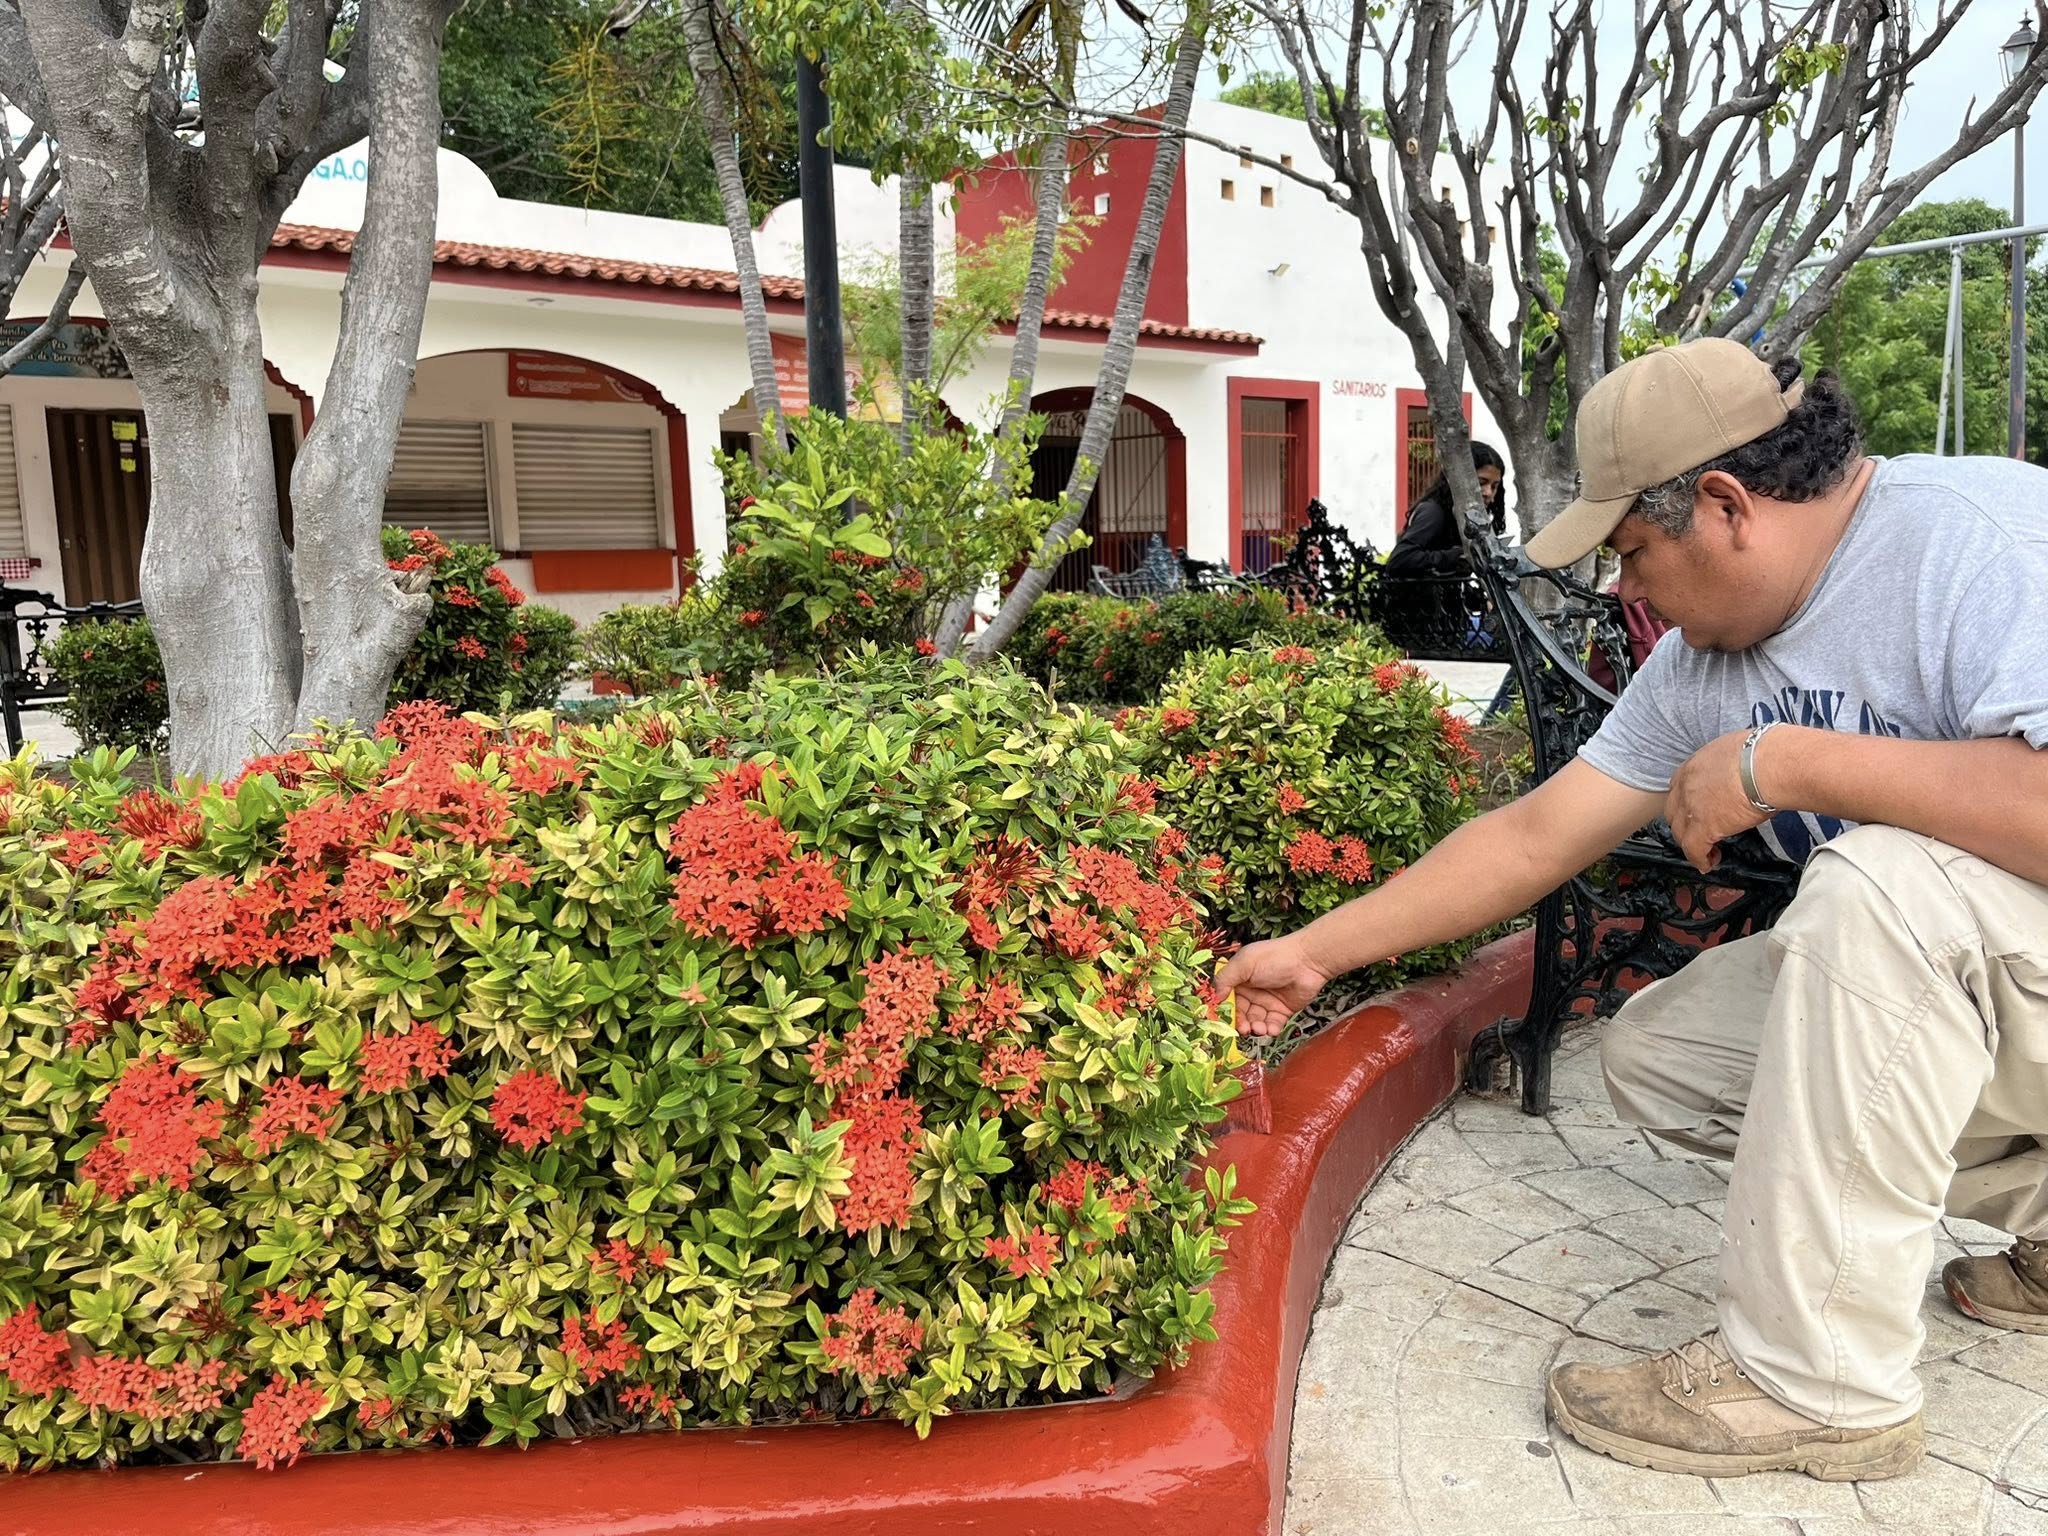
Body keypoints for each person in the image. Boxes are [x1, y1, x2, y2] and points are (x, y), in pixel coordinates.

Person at [1217, 337, 2048, 1483]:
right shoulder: (1707, 661)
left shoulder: (1984, 543)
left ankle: (1815, 1384)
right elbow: (1531, 837)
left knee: (1874, 887)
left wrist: (1782, 762)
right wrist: (1311, 952)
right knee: (1667, 1057)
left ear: (1723, 506)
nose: (1624, 591)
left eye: (1631, 553)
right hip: (2003, 993)